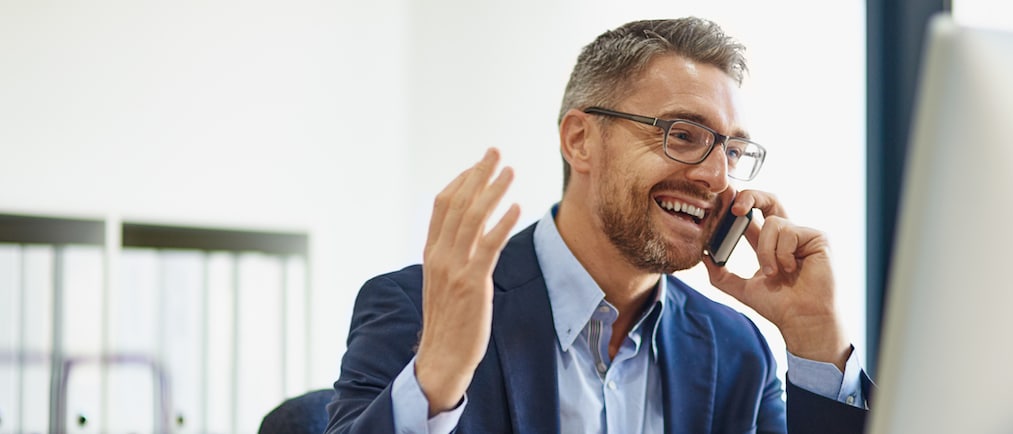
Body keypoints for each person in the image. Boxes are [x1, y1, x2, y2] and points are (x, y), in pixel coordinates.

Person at [324, 17, 872, 434]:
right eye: (682, 135)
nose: (715, 176)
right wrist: (435, 380)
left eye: (732, 150)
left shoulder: (736, 351)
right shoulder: (417, 309)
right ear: (579, 140)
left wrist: (817, 341)